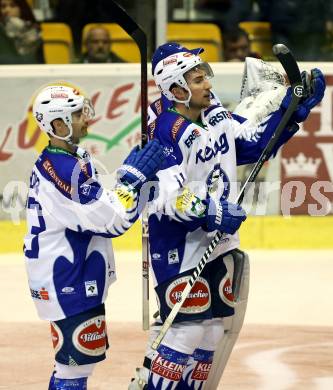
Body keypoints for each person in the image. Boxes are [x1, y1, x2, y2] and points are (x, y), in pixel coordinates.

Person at [129, 42, 326, 389]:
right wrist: (212, 210)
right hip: (179, 243)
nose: (208, 82)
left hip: (218, 239)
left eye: (205, 75)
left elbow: (248, 147)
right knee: (187, 332)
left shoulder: (213, 111)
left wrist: (289, 111)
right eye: (198, 77)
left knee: (210, 335)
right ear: (176, 88)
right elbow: (166, 195)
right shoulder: (164, 130)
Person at [23, 83, 165, 390]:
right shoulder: (62, 169)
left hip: (70, 272)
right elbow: (111, 220)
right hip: (66, 276)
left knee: (72, 366)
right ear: (57, 124)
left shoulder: (71, 158)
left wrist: (133, 181)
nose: (86, 119)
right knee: (74, 370)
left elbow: (104, 200)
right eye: (77, 114)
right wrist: (133, 178)